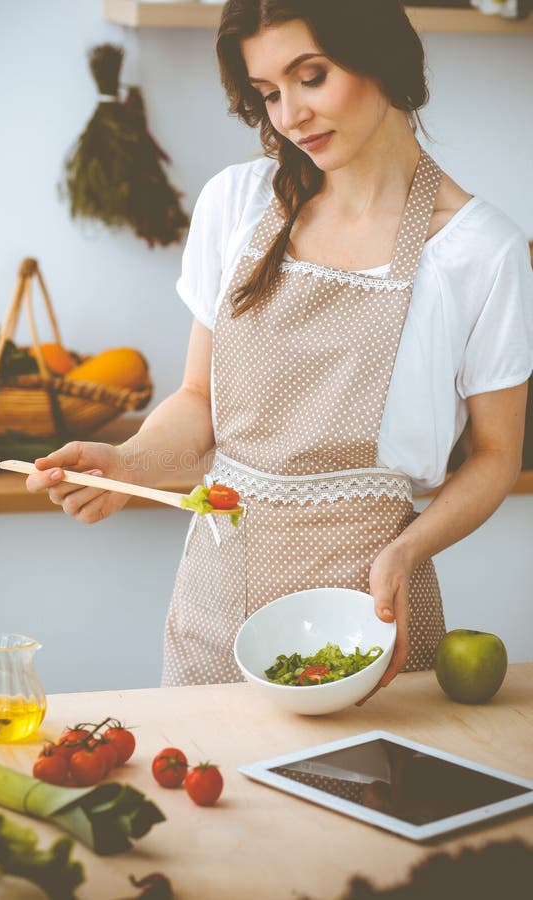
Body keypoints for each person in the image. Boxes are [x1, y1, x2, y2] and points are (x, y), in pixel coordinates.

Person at [26, 0, 532, 699]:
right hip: (215, 603)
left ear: (380, 57)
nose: (289, 115)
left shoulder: (482, 250)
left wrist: (407, 551)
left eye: (312, 76)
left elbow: (496, 456)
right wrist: (128, 461)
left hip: (370, 613)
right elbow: (200, 400)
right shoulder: (236, 205)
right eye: (268, 93)